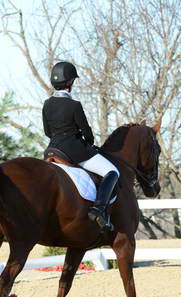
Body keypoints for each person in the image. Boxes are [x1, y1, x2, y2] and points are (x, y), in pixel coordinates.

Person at [42, 61, 120, 231]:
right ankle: (99, 209)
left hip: (52, 149)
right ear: (70, 82)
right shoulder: (74, 105)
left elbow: (47, 131)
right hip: (74, 151)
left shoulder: (47, 104)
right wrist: (89, 143)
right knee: (112, 172)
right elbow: (87, 132)